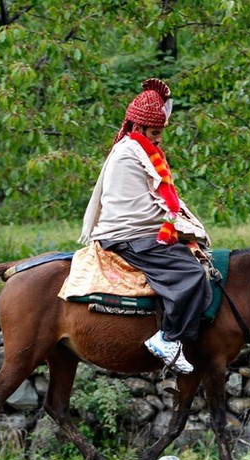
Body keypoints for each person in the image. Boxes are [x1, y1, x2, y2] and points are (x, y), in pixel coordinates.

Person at [79, 78, 211, 375]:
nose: (159, 138)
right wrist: (183, 227)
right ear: (138, 128)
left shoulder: (136, 149)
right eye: (155, 132)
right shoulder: (131, 152)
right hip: (129, 237)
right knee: (190, 272)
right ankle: (168, 338)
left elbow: (151, 202)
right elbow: (140, 211)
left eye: (161, 132)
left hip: (135, 231)